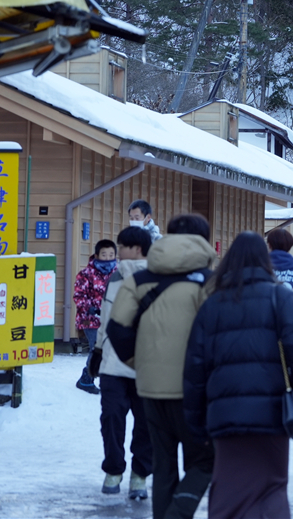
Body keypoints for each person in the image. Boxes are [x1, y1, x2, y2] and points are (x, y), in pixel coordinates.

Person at [183, 232, 293, 519]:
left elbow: (194, 367)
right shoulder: (281, 297)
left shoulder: (212, 305)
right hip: (272, 414)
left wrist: (196, 421)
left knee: (230, 491)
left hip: (224, 415)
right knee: (272, 488)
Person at [108, 213, 217, 519]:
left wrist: (140, 361)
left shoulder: (138, 280)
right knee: (205, 460)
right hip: (195, 389)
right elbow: (220, 332)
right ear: (203, 241)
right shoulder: (211, 282)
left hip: (150, 385)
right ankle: (177, 515)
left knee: (163, 462)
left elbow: (117, 329)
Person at [94, 227, 154, 499]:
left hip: (148, 364)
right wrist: (97, 351)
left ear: (137, 249)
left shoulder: (158, 278)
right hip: (113, 364)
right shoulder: (114, 278)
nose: (118, 252)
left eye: (122, 247)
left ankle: (139, 475)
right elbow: (105, 319)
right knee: (112, 419)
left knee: (143, 423)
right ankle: (115, 470)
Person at [74, 239, 118, 395]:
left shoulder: (118, 273)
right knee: (97, 348)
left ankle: (95, 378)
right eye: (104, 254)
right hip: (90, 320)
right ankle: (86, 380)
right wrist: (90, 308)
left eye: (111, 254)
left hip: (111, 318)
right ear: (97, 255)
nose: (107, 257)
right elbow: (78, 295)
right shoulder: (86, 274)